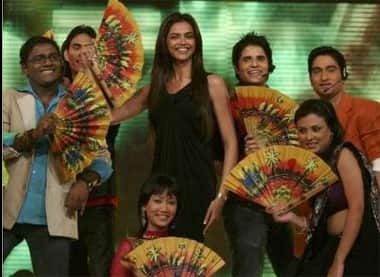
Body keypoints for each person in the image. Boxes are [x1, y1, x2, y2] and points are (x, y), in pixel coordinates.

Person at [111, 12, 238, 241]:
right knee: (159, 259)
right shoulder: (155, 89)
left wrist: (221, 196)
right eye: (175, 37)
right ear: (164, 42)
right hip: (161, 187)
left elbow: (231, 144)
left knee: (187, 258)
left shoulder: (213, 84)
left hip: (198, 184)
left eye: (188, 36)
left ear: (197, 42)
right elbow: (113, 116)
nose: (182, 42)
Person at [2, 36, 112, 276]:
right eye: (39, 58)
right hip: (6, 212)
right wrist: (33, 134)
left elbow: (102, 156)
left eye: (52, 57)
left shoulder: (79, 103)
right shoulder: (9, 98)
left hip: (56, 216)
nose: (47, 62)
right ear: (25, 67)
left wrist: (85, 182)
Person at [269, 99, 380, 276]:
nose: (308, 137)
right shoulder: (317, 165)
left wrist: (339, 261)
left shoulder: (344, 155)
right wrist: (292, 218)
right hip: (329, 246)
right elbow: (319, 221)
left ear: (331, 129)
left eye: (316, 129)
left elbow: (357, 208)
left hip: (355, 251)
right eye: (302, 130)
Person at [223, 31, 295, 277]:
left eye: (260, 58)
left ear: (269, 65)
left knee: (290, 267)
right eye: (247, 59)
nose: (254, 64)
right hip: (244, 201)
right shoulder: (226, 107)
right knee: (249, 268)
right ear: (236, 67)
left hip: (281, 199)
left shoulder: (285, 108)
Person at [61, 24, 120, 277]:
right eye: (76, 47)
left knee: (99, 266)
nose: (83, 53)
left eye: (90, 47)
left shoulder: (110, 91)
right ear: (65, 54)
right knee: (68, 266)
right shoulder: (55, 91)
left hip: (99, 187)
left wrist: (95, 77)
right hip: (61, 191)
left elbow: (115, 117)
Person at [308, 46, 380, 190]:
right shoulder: (305, 118)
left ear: (343, 73)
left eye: (331, 70)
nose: (324, 78)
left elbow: (378, 163)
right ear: (310, 78)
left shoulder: (368, 110)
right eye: (317, 71)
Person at [110, 174, 179, 276]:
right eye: (157, 201)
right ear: (144, 205)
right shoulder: (129, 247)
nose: (164, 208)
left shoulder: (182, 249)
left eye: (171, 203)